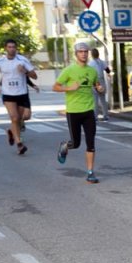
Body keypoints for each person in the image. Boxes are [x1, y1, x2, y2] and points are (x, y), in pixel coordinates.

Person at [53, 42, 104, 184]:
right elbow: (55, 87)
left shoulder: (92, 71)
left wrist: (99, 88)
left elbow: (96, 84)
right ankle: (65, 145)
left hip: (89, 110)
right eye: (80, 52)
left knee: (90, 142)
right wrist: (69, 88)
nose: (83, 54)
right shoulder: (69, 70)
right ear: (76, 54)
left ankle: (90, 172)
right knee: (75, 144)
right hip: (73, 111)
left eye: (85, 51)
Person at [0, 39, 38, 155]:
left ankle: (11, 131)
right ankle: (19, 144)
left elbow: (35, 76)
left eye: (13, 47)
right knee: (14, 118)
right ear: (5, 48)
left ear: (16, 48)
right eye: (9, 47)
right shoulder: (0, 61)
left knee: (25, 117)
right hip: (8, 94)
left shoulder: (23, 60)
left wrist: (25, 71)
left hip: (22, 93)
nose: (12, 49)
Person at [88, 48, 110, 121]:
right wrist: (109, 75)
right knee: (103, 99)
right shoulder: (102, 62)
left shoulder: (91, 63)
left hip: (95, 82)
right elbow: (108, 70)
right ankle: (105, 115)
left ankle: (95, 116)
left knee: (95, 100)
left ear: (92, 55)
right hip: (102, 81)